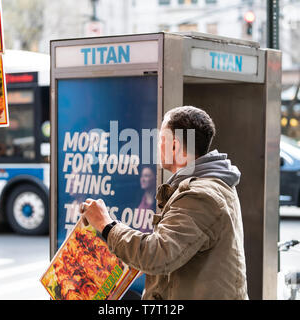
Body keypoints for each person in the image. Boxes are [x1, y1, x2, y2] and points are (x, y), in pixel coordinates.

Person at [81, 106, 248, 300]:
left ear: (174, 146)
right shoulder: (206, 186)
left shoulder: (201, 196)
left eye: (160, 139)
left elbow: (158, 255)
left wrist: (106, 225)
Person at [137, 165, 156, 233]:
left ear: (155, 178)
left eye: (146, 176)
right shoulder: (138, 200)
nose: (142, 179)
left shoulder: (159, 202)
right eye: (142, 176)